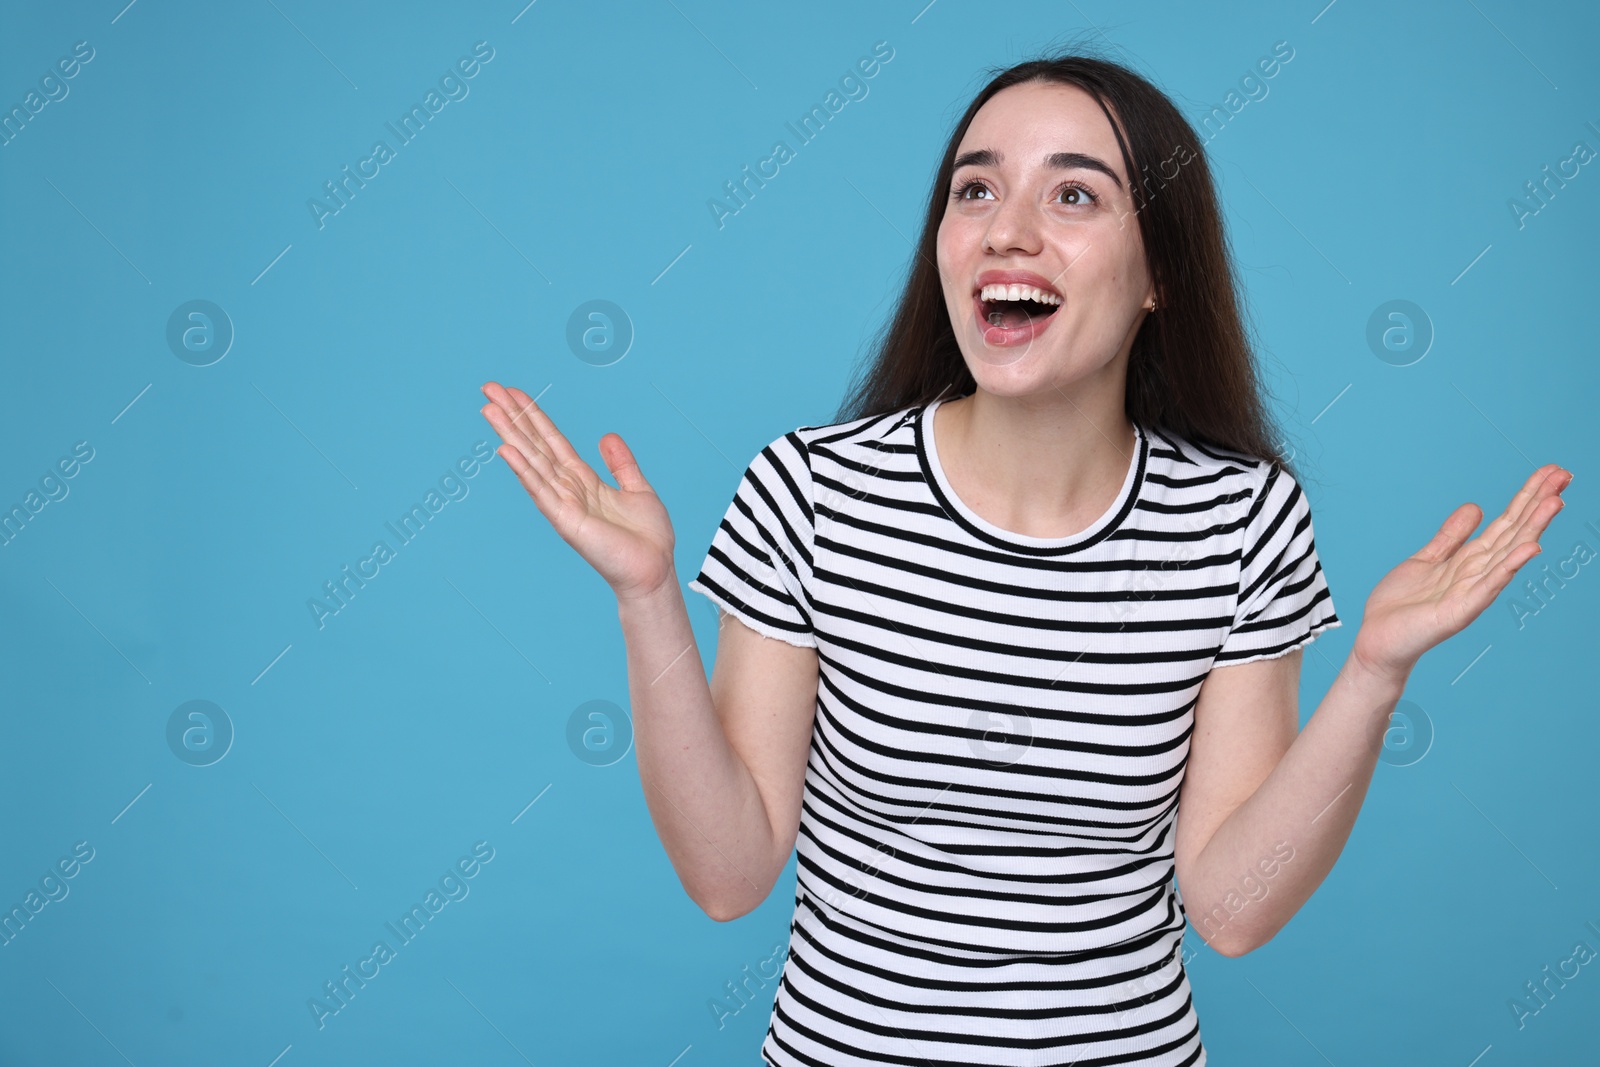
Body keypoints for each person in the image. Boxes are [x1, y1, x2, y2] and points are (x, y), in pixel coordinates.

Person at [478, 47, 1570, 1067]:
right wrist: (644, 597)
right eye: (976, 188)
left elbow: (1234, 907)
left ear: (1158, 275)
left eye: (1075, 193)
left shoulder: (1239, 521)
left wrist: (1375, 671)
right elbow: (727, 875)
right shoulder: (811, 494)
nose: (1008, 230)